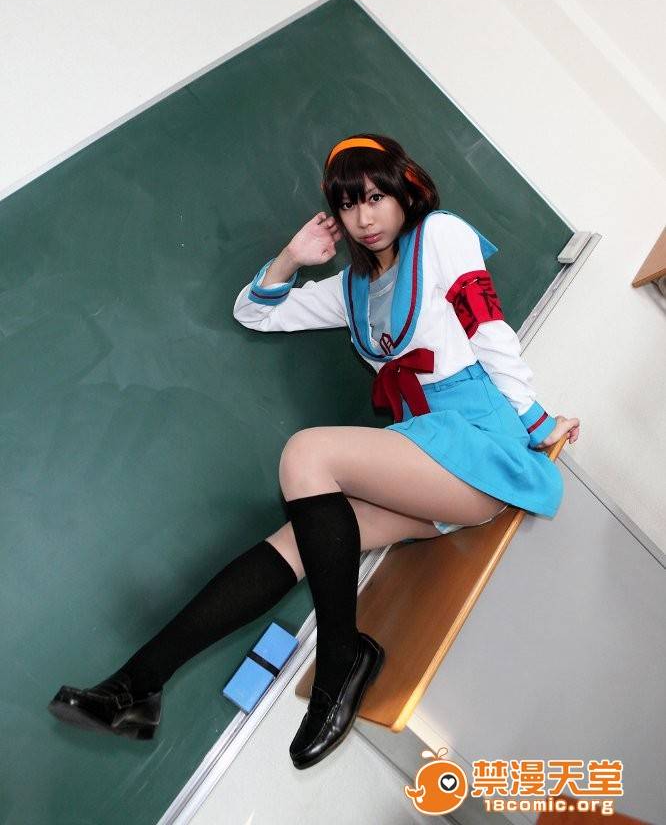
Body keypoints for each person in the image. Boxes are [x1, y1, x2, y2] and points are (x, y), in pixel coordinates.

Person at [48, 133, 580, 769]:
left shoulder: (440, 235)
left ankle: (339, 660)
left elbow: (487, 326)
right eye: (349, 204)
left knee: (306, 454)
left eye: (376, 196)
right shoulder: (353, 289)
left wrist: (536, 420)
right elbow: (256, 313)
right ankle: (137, 687)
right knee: (297, 542)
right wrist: (291, 258)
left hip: (480, 448)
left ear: (405, 189)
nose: (364, 216)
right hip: (429, 465)